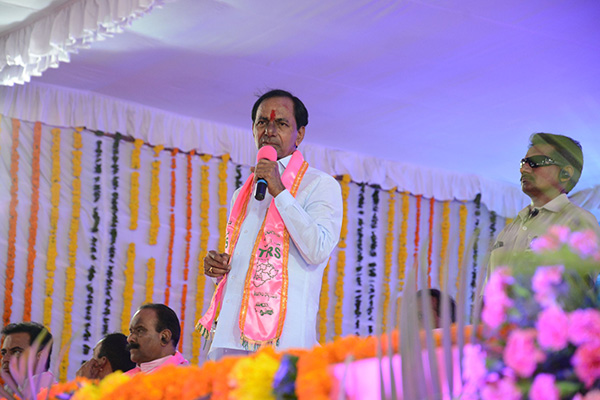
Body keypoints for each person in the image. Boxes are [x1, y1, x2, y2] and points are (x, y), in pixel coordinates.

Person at [198, 89, 343, 360]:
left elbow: (318, 249)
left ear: (299, 134)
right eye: (262, 122)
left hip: (283, 342)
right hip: (229, 336)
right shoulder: (243, 192)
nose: (269, 131)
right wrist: (220, 267)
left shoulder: (319, 184)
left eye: (282, 123)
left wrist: (280, 192)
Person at [490, 133, 600, 271]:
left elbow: (578, 280)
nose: (523, 169)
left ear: (565, 173)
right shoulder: (509, 229)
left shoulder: (578, 222)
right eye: (523, 163)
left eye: (535, 162)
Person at [125, 303, 189, 375]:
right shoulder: (125, 378)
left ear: (164, 337)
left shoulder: (184, 378)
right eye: (131, 332)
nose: (129, 339)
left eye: (140, 331)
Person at [1, 322, 55, 397]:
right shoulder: (10, 390)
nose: (4, 359)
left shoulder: (53, 395)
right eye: (3, 353)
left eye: (16, 352)